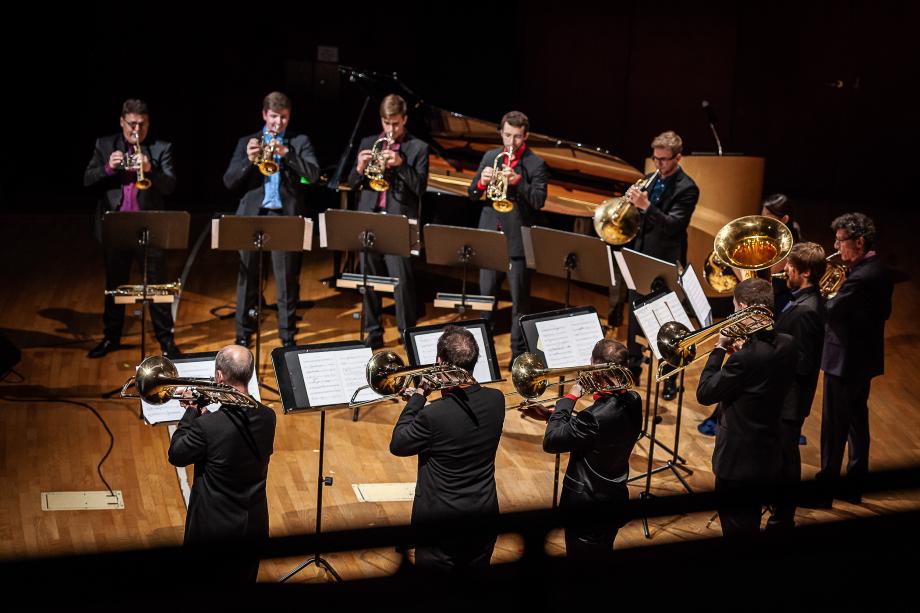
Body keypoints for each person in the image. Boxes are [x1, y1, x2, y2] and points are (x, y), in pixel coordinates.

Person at [389, 326, 505, 571]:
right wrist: (426, 403)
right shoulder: (497, 400)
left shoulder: (433, 416)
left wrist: (420, 395)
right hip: (483, 517)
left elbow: (399, 444)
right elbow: (455, 422)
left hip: (441, 526)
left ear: (440, 362)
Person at [168, 345, 276, 582]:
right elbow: (227, 442)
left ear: (219, 377)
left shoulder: (207, 428)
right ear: (250, 374)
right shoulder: (269, 417)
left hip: (214, 533)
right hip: (253, 527)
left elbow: (177, 454)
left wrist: (191, 412)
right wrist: (204, 417)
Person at [696, 278, 796, 536]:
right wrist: (745, 349)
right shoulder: (788, 344)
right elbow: (760, 374)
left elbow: (705, 393)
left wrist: (718, 349)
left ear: (743, 307)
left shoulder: (746, 359)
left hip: (739, 462)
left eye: (735, 307)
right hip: (768, 454)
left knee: (738, 529)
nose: (733, 313)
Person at [526, 339, 642, 558]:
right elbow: (600, 431)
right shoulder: (634, 400)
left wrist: (570, 397)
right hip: (613, 499)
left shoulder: (595, 417)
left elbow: (551, 442)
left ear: (598, 368)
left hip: (588, 506)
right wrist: (552, 415)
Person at [223, 91, 320, 348]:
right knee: (247, 277)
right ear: (265, 115)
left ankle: (287, 336)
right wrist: (249, 160)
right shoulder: (248, 141)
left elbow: (313, 175)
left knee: (286, 277)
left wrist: (287, 154)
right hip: (252, 216)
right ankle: (243, 333)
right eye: (274, 117)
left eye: (284, 118)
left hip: (284, 216)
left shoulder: (299, 142)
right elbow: (229, 181)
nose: (279, 123)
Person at [83, 98, 179, 358]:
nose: (137, 130)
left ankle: (166, 341)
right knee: (115, 286)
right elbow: (87, 180)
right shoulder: (105, 145)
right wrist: (107, 168)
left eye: (142, 125)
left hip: (150, 227)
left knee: (158, 287)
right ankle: (111, 337)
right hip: (117, 226)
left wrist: (150, 169)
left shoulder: (161, 148)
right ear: (122, 121)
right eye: (132, 124)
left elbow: (170, 185)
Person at [812, 212, 892, 506]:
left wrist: (818, 293)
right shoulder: (879, 270)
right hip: (864, 360)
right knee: (858, 422)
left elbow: (830, 312)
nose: (836, 245)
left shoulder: (861, 277)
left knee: (834, 427)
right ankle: (854, 486)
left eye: (840, 240)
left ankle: (824, 492)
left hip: (845, 361)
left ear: (859, 242)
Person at [468, 111, 549, 366]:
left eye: (516, 137)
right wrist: (481, 182)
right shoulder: (491, 156)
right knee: (486, 300)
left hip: (518, 243)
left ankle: (517, 359)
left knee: (519, 306)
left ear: (525, 136)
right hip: (491, 237)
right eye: (506, 135)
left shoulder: (535, 164)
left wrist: (519, 183)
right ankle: (480, 356)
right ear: (501, 133)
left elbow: (538, 201)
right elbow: (471, 193)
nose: (510, 142)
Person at [348, 94, 429, 349]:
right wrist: (360, 168)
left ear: (404, 119)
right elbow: (352, 183)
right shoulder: (369, 142)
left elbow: (421, 188)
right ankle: (374, 333)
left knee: (401, 282)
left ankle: (407, 334)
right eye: (386, 123)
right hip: (370, 220)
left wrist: (402, 166)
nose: (390, 129)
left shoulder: (418, 148)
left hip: (398, 223)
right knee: (368, 280)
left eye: (395, 123)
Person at [624, 131, 699, 400]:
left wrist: (646, 207)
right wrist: (632, 205)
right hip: (640, 254)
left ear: (678, 158)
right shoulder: (650, 180)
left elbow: (675, 226)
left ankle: (669, 376)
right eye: (655, 158)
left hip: (665, 260)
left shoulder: (687, 188)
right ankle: (632, 367)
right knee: (633, 316)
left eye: (664, 160)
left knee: (666, 321)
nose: (658, 165)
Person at [766, 242, 826, 529]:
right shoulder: (802, 298)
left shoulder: (808, 311)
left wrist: (767, 353)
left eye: (790, 266)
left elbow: (803, 363)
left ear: (804, 272)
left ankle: (782, 517)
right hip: (785, 394)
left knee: (786, 458)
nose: (785, 270)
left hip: (790, 398)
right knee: (781, 455)